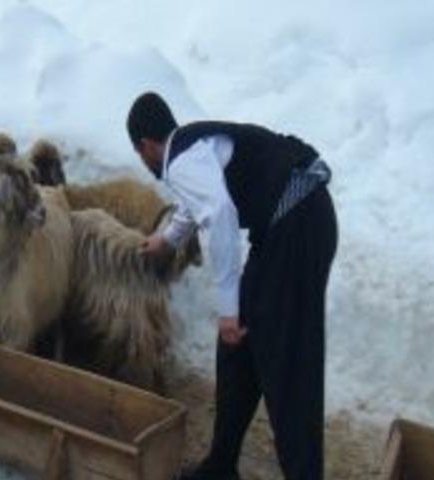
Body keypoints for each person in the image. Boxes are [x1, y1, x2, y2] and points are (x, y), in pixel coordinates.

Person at [127, 92, 337, 480]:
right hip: (285, 225)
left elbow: (219, 213)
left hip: (299, 222)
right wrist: (167, 239)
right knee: (237, 346)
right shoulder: (191, 146)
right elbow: (200, 201)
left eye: (141, 157)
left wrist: (229, 308)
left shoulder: (179, 161)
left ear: (145, 146)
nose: (146, 164)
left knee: (286, 359)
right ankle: (221, 466)